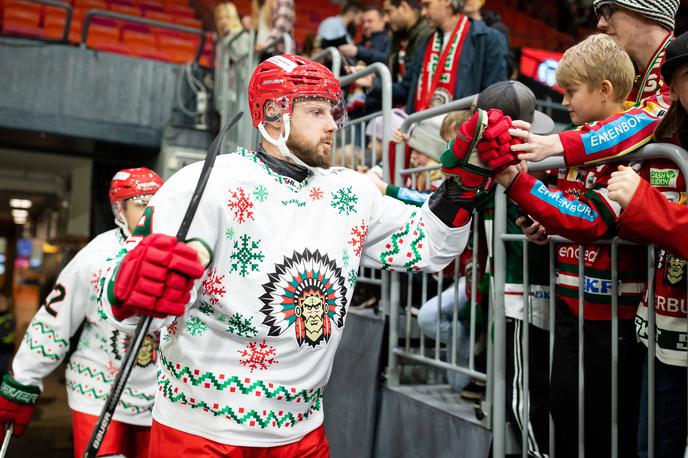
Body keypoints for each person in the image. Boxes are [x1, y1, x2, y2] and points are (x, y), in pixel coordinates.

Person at [95, 54, 502, 456]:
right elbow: (131, 311)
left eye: (334, 112)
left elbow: (428, 247)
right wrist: (128, 289)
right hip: (201, 434)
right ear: (273, 112)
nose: (332, 125)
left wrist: (461, 186)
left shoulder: (351, 192)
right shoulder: (205, 185)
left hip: (301, 433)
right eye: (317, 111)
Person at [489, 34, 645, 458]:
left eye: (571, 92)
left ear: (605, 90)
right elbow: (559, 210)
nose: (564, 100)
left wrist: (518, 184)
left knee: (605, 426)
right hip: (570, 301)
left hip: (616, 314)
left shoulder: (635, 150)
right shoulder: (572, 145)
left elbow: (587, 220)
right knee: (563, 408)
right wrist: (537, 224)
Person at [0, 168, 164, 457]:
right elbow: (55, 319)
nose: (152, 212)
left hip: (160, 402)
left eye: (158, 202)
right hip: (98, 392)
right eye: (141, 203)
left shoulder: (180, 254)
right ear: (119, 209)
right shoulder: (95, 257)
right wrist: (24, 378)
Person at [607, 31, 688, 458]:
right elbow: (636, 227)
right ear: (672, 87)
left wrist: (640, 201)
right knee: (652, 447)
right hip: (665, 328)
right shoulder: (663, 142)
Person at [511, 0, 679, 167]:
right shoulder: (628, 69)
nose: (601, 24)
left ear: (647, 10)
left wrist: (556, 143)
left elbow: (640, 121)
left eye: (609, 10)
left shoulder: (682, 66)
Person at [356, 0, 508, 112]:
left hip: (459, 141)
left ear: (447, 2)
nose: (423, 12)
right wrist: (372, 83)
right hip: (421, 132)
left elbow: (494, 99)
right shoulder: (427, 42)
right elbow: (406, 90)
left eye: (427, 5)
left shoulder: (488, 39)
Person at [383, 0, 432, 82]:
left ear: (404, 7)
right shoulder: (398, 34)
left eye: (389, 12)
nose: (385, 19)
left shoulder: (426, 35)